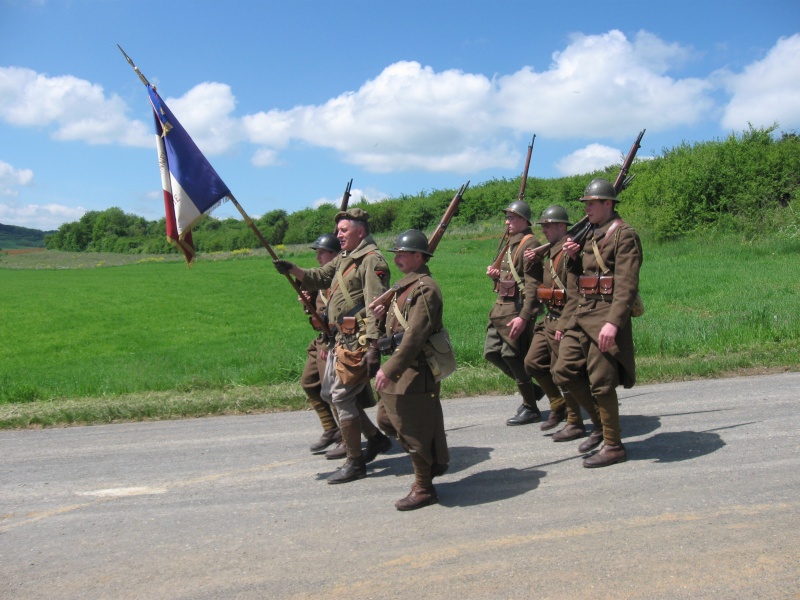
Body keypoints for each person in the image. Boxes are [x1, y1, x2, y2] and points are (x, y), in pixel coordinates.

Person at [274, 208, 392, 483]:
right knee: (329, 393)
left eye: (343, 230)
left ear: (360, 232)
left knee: (340, 397)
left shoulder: (371, 260)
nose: (338, 235)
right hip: (341, 338)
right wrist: (292, 269)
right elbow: (318, 276)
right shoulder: (344, 258)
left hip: (359, 339)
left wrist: (374, 346)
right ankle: (375, 439)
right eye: (338, 230)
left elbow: (377, 307)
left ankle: (355, 461)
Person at [553, 178, 643, 468]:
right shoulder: (590, 233)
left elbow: (626, 285)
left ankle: (613, 445)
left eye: (591, 203)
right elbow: (578, 277)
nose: (587, 208)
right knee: (564, 371)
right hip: (581, 312)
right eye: (586, 204)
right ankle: (600, 427)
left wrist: (613, 324)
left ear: (608, 204)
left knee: (602, 384)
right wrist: (572, 258)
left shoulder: (624, 235)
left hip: (604, 315)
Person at [371, 230, 449, 511]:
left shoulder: (426, 288)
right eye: (396, 254)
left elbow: (416, 335)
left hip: (415, 370)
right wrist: (380, 321)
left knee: (413, 430)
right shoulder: (404, 287)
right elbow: (395, 332)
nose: (398, 258)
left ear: (419, 256)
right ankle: (434, 462)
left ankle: (424, 487)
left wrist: (389, 369)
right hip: (401, 369)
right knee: (388, 421)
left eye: (403, 254)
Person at [522, 205, 601, 440]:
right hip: (549, 317)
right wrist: (534, 260)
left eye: (547, 225)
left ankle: (577, 422)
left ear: (561, 226)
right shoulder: (551, 251)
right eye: (543, 225)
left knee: (562, 372)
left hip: (562, 320)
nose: (543, 230)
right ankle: (558, 405)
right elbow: (539, 282)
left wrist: (565, 325)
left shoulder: (568, 251)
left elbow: (576, 294)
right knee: (533, 363)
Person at [484, 200, 545, 426]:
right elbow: (508, 278)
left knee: (512, 356)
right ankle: (533, 391)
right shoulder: (511, 244)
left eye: (512, 218)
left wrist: (524, 316)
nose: (507, 222)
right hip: (500, 309)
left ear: (524, 220)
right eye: (507, 218)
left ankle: (530, 406)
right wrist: (495, 277)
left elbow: (532, 286)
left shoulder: (529, 244)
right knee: (492, 353)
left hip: (516, 311)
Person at [300, 233, 342, 454]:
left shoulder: (341, 279)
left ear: (334, 255)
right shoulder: (319, 279)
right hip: (321, 339)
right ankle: (331, 429)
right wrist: (307, 303)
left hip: (334, 341)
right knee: (309, 382)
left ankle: (347, 436)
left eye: (321, 253)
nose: (317, 258)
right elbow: (316, 312)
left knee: (334, 392)